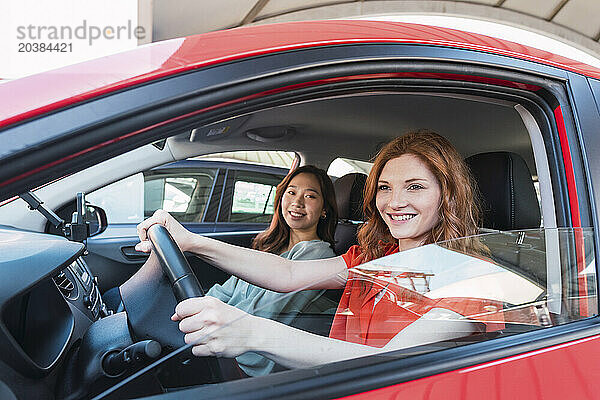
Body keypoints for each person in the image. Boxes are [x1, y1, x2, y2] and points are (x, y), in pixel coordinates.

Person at [136, 130, 493, 369]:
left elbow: (384, 364)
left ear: (447, 195)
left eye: (414, 187)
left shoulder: (472, 282)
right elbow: (288, 273)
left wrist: (250, 331)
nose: (394, 202)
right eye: (384, 188)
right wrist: (193, 242)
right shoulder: (375, 255)